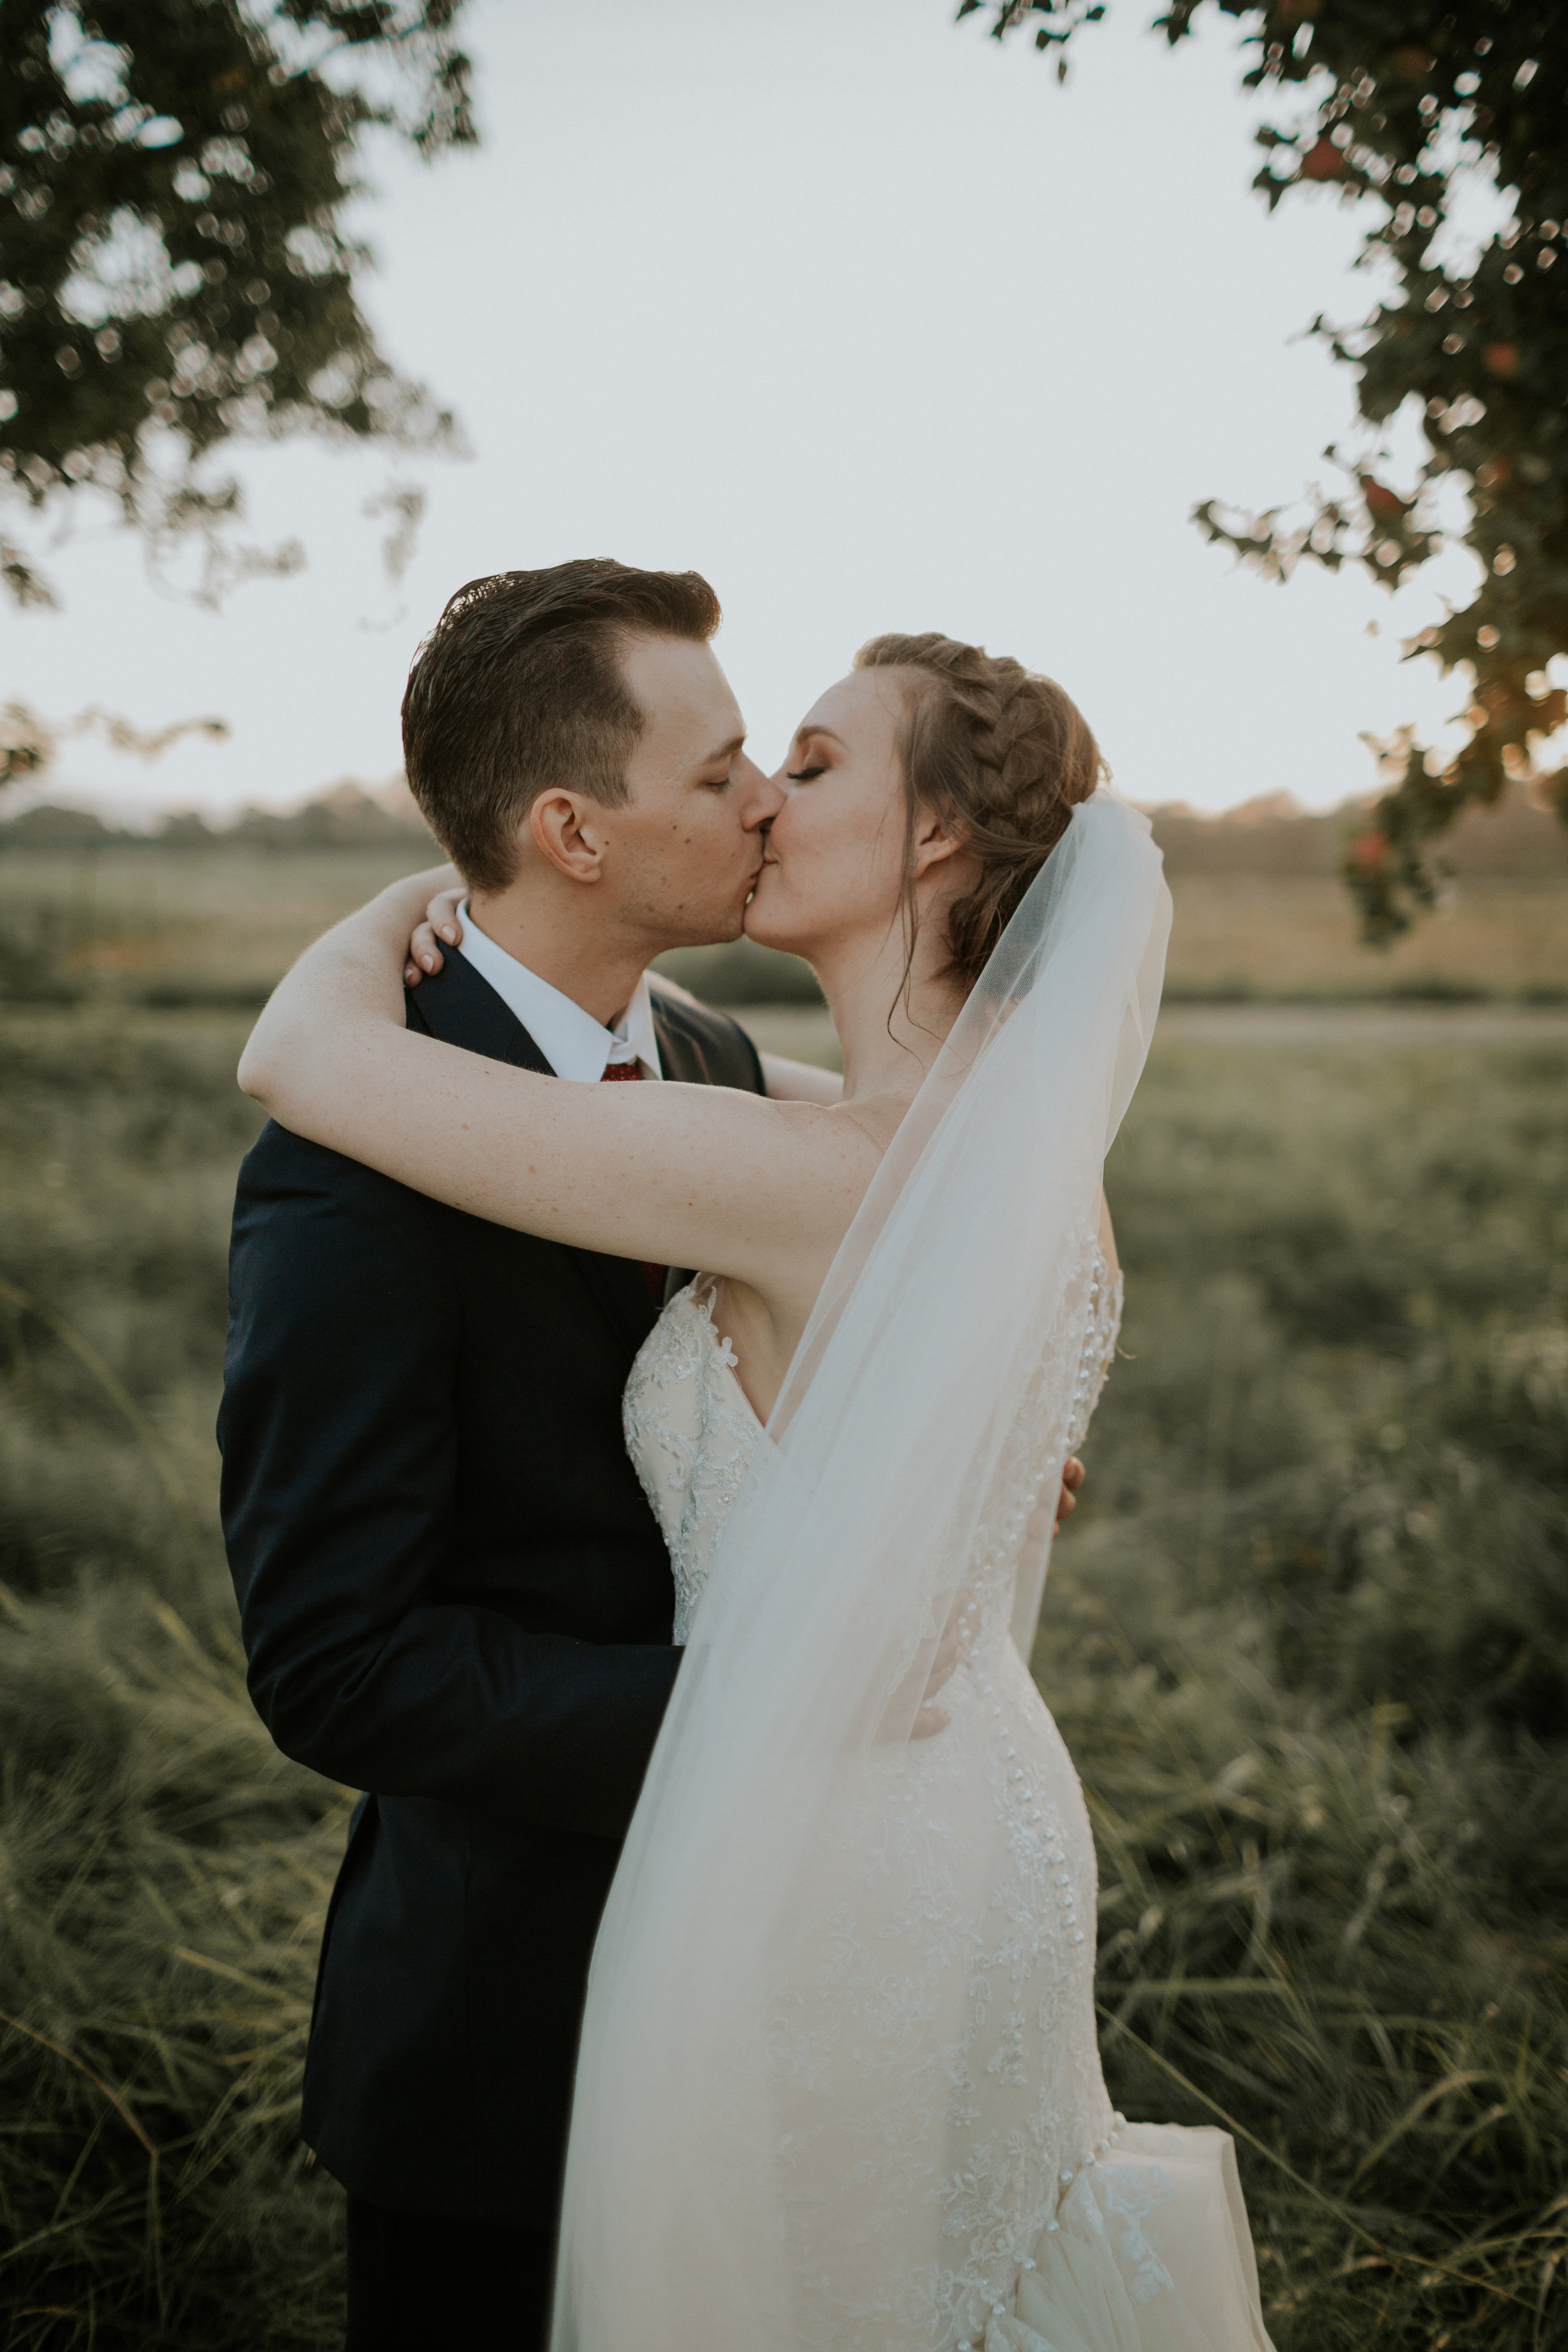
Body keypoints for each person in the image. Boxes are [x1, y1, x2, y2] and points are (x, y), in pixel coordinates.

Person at [240, 623, 1274, 2350]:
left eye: (798, 762)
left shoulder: (812, 1167)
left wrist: (374, 917)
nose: (762, 802)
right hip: (959, 1823)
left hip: (831, 1851)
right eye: (732, 769)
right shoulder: (985, 1156)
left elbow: (304, 1063)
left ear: (934, 838)